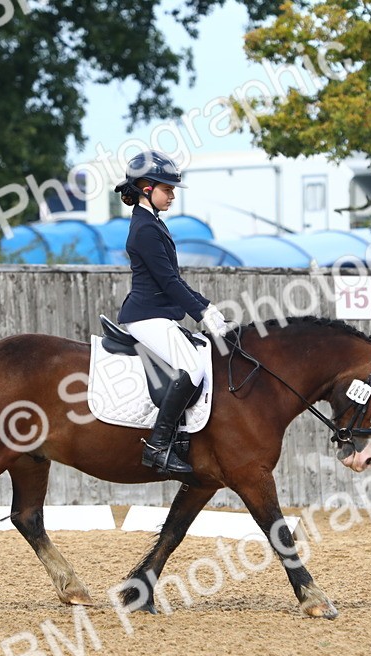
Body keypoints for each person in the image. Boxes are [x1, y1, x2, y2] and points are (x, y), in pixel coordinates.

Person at [113, 150, 231, 475]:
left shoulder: (152, 223)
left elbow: (174, 280)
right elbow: (167, 282)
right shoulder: (145, 229)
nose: (173, 195)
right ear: (146, 188)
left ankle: (180, 438)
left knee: (200, 360)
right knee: (192, 369)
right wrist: (200, 313)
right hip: (146, 316)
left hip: (158, 314)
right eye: (168, 189)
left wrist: (206, 307)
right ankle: (158, 446)